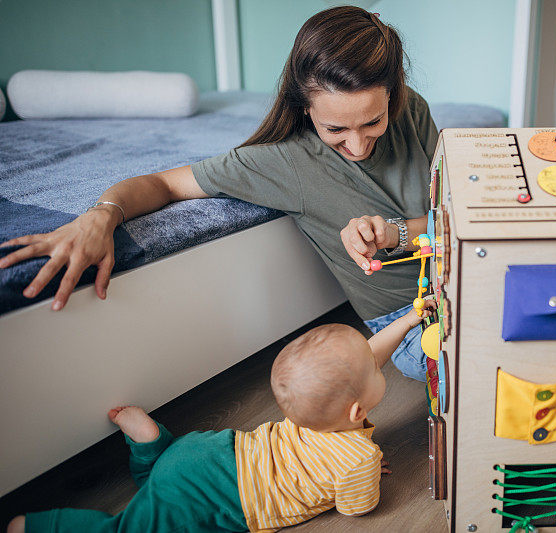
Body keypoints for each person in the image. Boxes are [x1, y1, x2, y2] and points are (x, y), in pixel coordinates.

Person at [0, 6, 437, 382]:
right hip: (406, 320)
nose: (359, 145)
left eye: (372, 123)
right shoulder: (281, 163)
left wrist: (395, 232)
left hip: (456, 280)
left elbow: (450, 214)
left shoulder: (410, 108)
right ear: (304, 107)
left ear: (392, 95)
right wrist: (102, 214)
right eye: (335, 130)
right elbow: (163, 184)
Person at [7, 300, 436, 533]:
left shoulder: (316, 411)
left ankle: (154, 448)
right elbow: (358, 510)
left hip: (209, 452)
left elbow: (367, 357)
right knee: (129, 528)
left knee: (163, 485)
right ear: (357, 411)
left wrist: (414, 317)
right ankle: (33, 526)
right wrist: (369, 476)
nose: (380, 362)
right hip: (228, 497)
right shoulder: (357, 458)